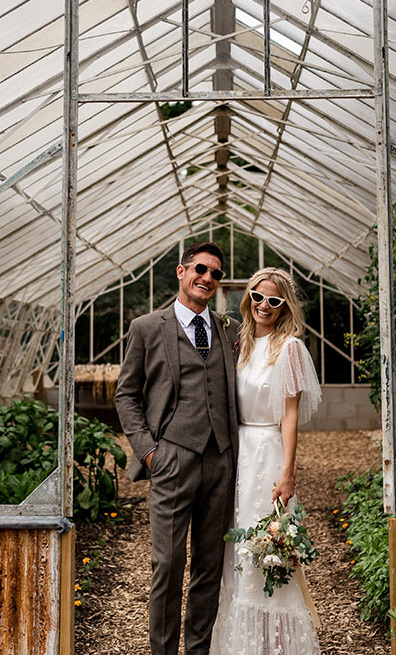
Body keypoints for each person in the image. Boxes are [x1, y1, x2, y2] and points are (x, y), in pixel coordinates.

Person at [115, 241, 240, 655]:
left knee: (209, 567)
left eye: (216, 274)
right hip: (171, 458)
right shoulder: (148, 327)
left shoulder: (228, 329)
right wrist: (150, 451)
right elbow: (126, 395)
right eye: (201, 270)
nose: (208, 278)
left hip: (220, 460)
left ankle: (198, 651)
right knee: (167, 566)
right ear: (181, 272)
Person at [209, 267, 323, 655]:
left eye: (274, 300)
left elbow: (289, 415)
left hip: (268, 451)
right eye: (258, 296)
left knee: (267, 548)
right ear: (249, 297)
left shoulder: (288, 347)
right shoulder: (237, 341)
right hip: (238, 453)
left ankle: (274, 646)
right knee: (237, 550)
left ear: (283, 306)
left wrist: (288, 472)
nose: (264, 305)